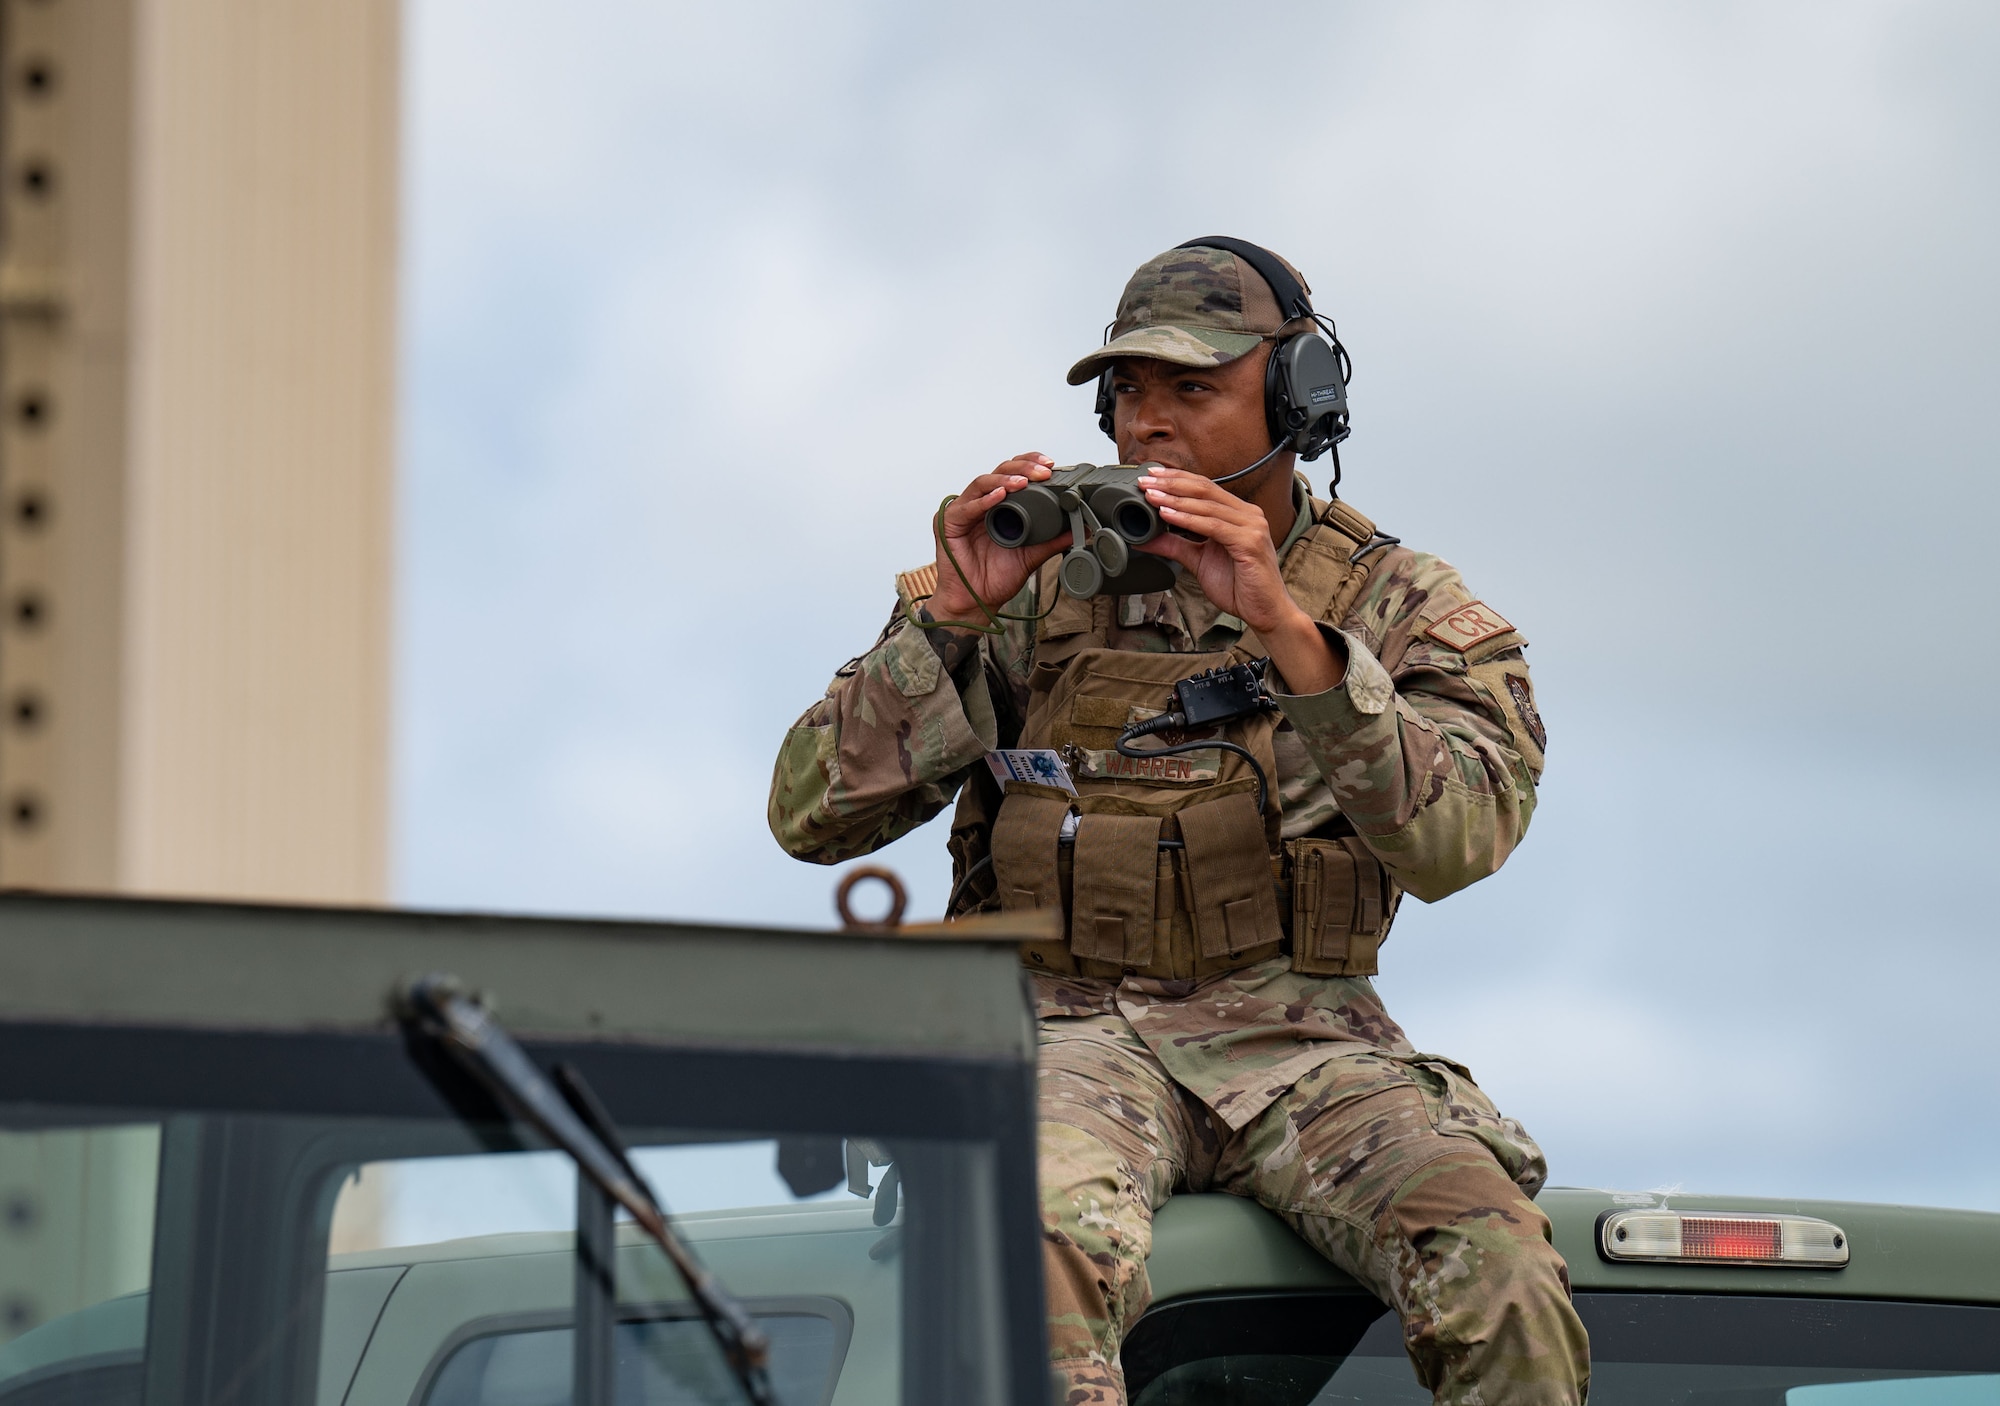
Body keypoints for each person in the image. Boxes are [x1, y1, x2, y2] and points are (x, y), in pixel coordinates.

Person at [768, 240, 1589, 1404]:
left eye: (1190, 390)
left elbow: (1461, 835)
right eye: (1129, 393)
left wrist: (1288, 636)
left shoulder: (1400, 605)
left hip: (1301, 1046)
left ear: (1297, 399)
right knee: (1024, 1249)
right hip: (1065, 1036)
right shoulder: (1036, 590)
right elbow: (809, 813)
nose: (1147, 425)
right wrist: (947, 619)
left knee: (1496, 1264)